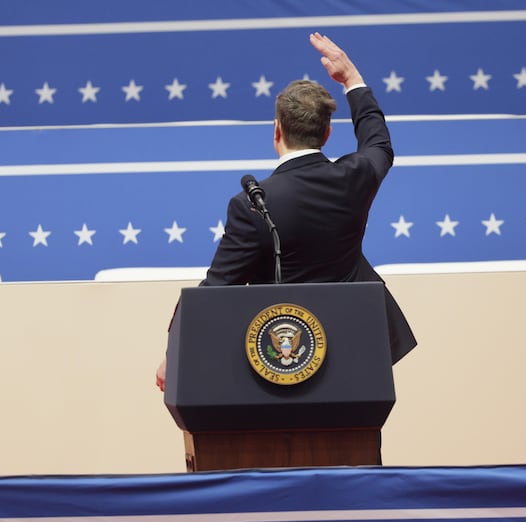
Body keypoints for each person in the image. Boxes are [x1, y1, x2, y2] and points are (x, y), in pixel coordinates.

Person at [156, 32, 416, 391]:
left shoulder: (252, 205)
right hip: (358, 351)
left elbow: (215, 289)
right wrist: (352, 79)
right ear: (326, 134)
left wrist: (175, 351)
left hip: (280, 364)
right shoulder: (354, 178)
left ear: (276, 131)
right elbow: (378, 143)